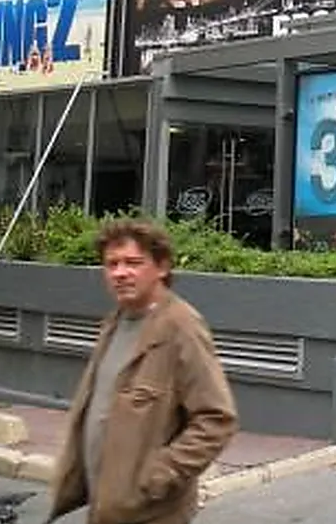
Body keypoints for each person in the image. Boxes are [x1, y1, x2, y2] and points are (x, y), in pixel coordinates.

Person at [46, 219, 237, 524]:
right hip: (105, 506)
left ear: (162, 267)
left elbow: (216, 418)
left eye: (133, 263)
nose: (120, 273)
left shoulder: (181, 327)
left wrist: (160, 474)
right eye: (112, 264)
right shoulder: (115, 322)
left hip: (150, 513)